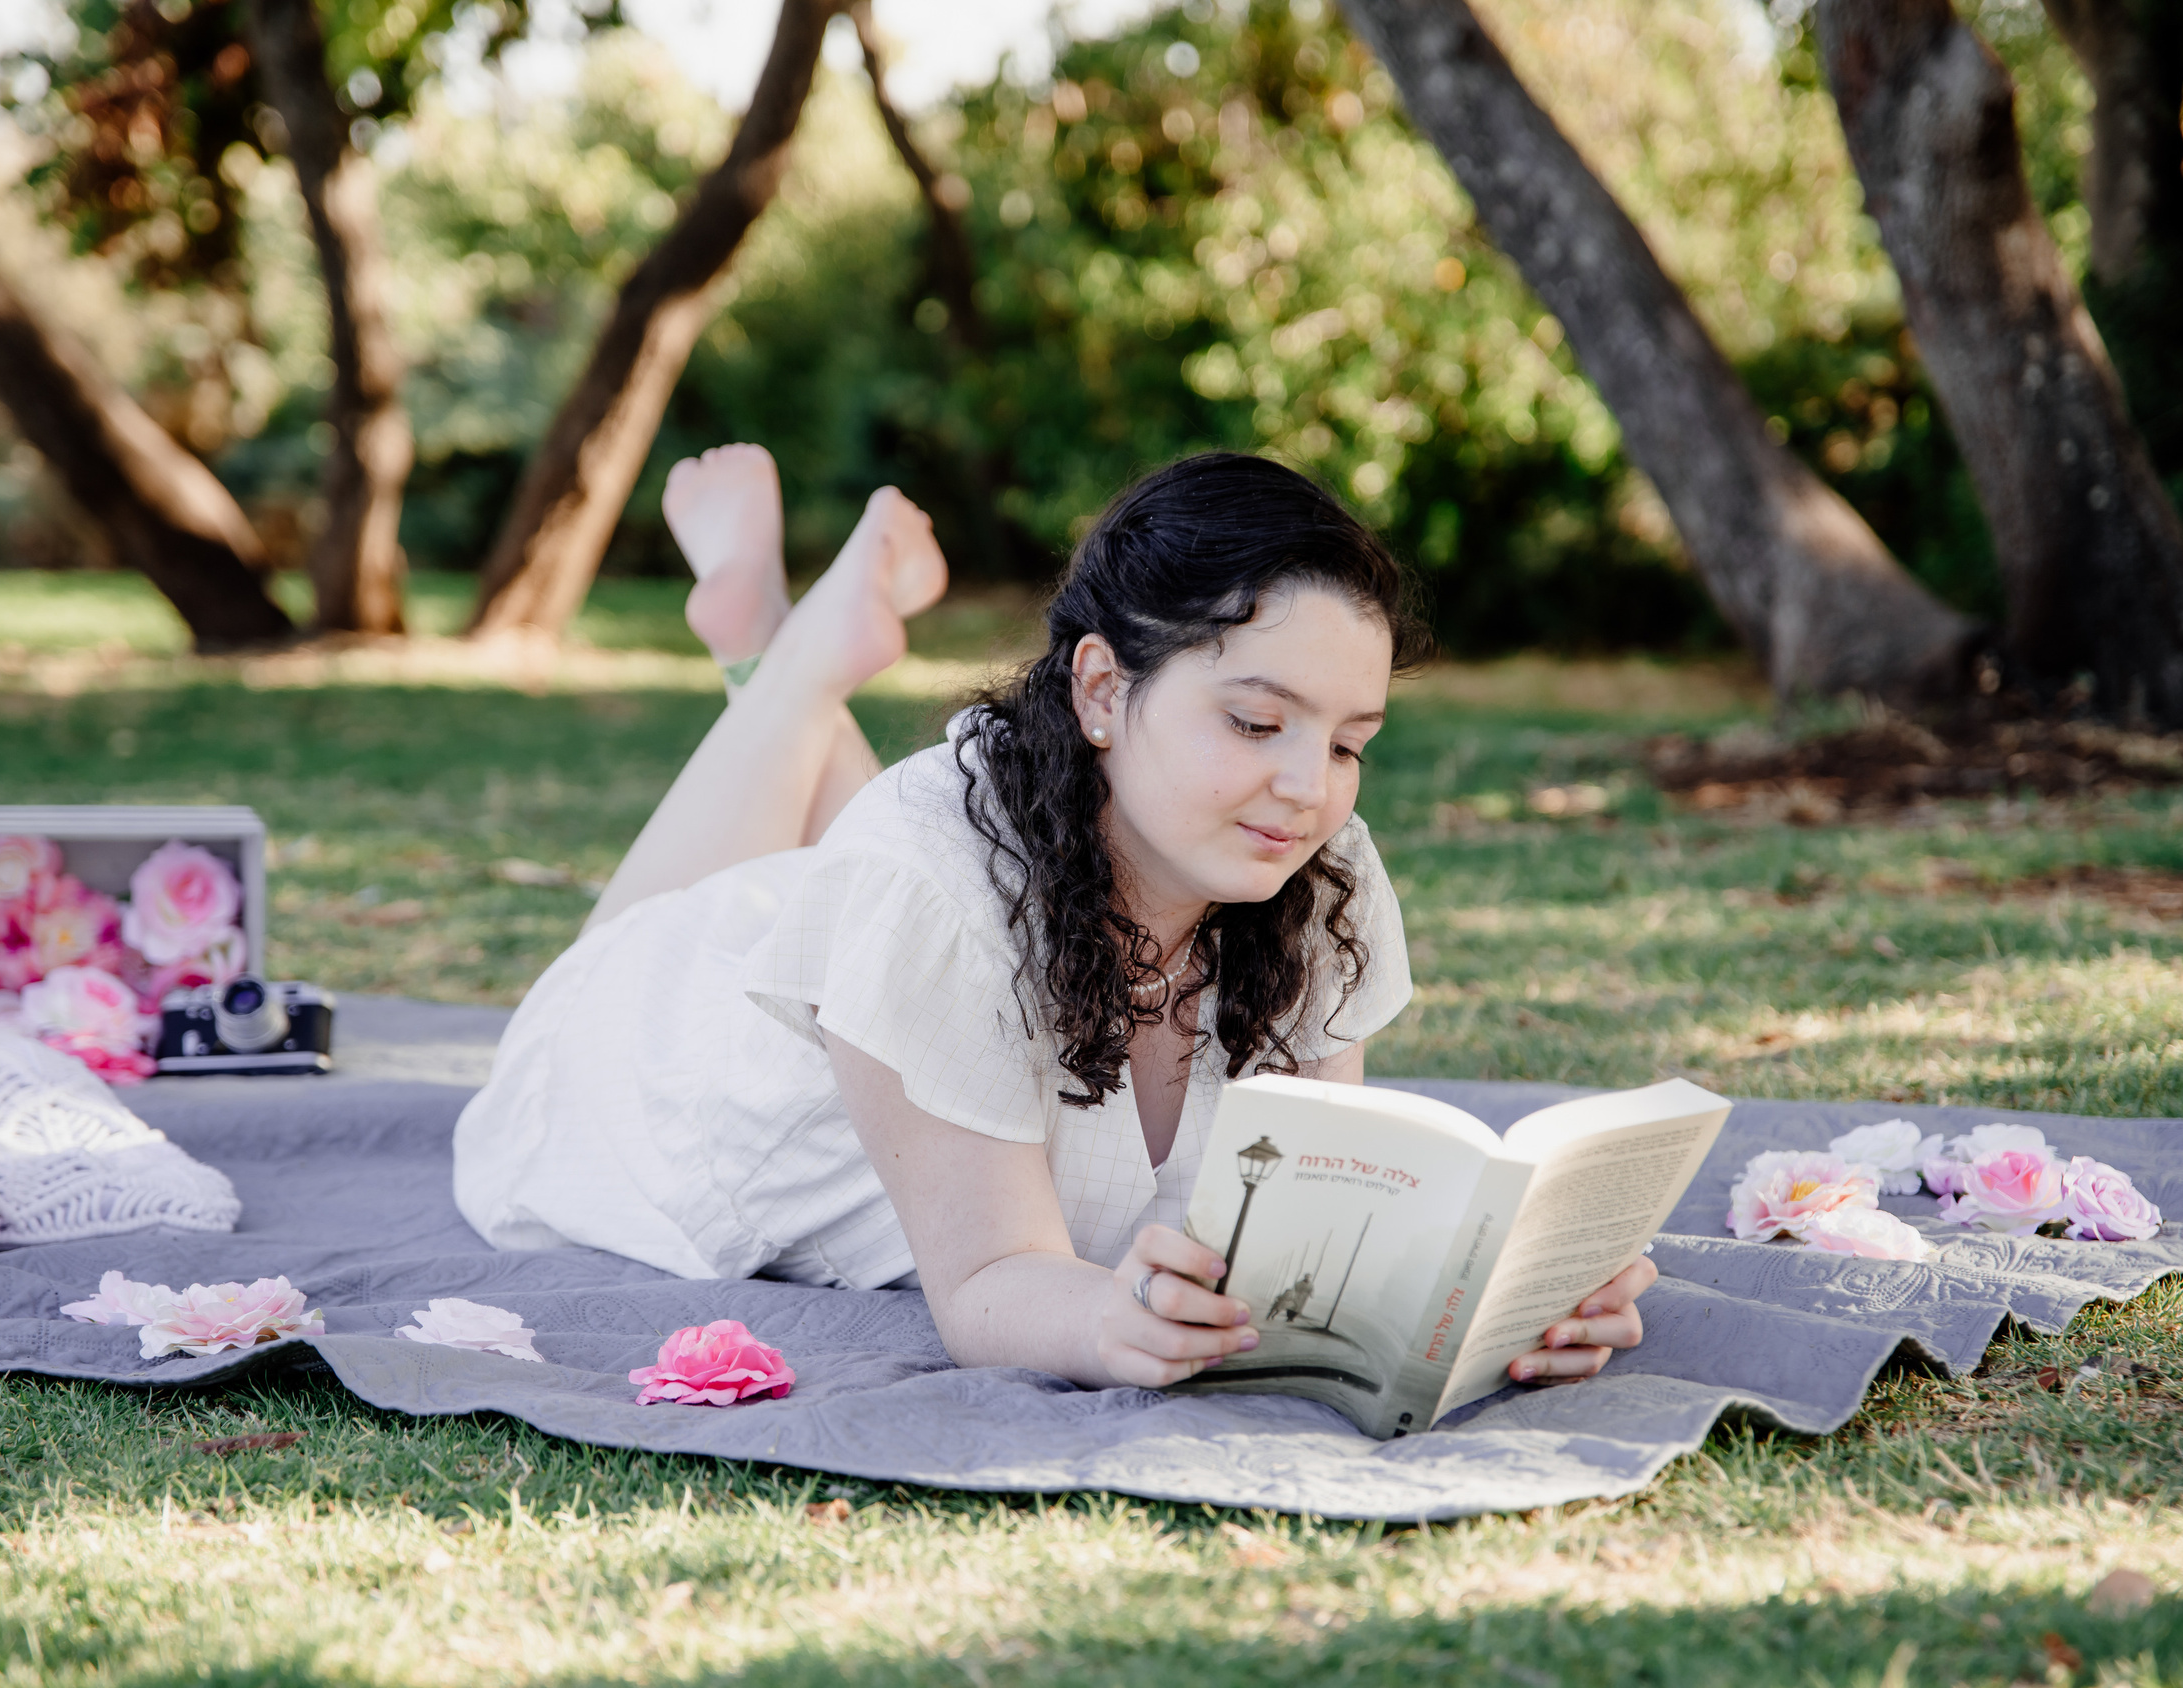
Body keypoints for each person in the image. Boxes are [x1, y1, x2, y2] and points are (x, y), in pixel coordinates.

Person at [452, 446, 1657, 1390]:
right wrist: (1110, 1318)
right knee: (698, 922)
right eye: (1254, 722)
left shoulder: (1314, 866)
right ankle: (792, 656)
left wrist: (1505, 1292)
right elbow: (985, 1281)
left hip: (904, 911)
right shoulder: (921, 887)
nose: (1310, 785)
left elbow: (1314, 1222)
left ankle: (776, 645)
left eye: (1349, 742)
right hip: (656, 1055)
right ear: (1099, 685)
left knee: (890, 845)